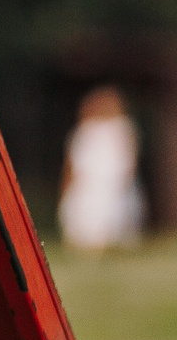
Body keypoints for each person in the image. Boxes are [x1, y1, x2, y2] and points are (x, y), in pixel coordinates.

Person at [59, 84, 144, 251]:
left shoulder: (122, 128)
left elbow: (127, 160)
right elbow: (73, 164)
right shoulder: (83, 131)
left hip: (113, 184)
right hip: (89, 185)